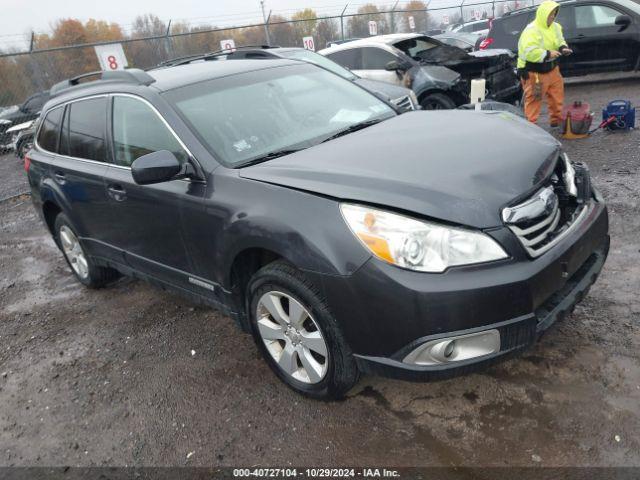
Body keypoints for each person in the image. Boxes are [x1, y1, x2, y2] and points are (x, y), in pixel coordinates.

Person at [517, 0, 573, 126]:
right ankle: (531, 127)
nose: (553, 16)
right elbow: (529, 52)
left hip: (553, 70)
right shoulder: (531, 30)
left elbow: (559, 41)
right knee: (535, 101)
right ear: (543, 14)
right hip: (536, 73)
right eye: (550, 14)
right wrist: (548, 54)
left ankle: (556, 121)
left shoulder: (556, 27)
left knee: (557, 97)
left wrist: (563, 48)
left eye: (554, 13)